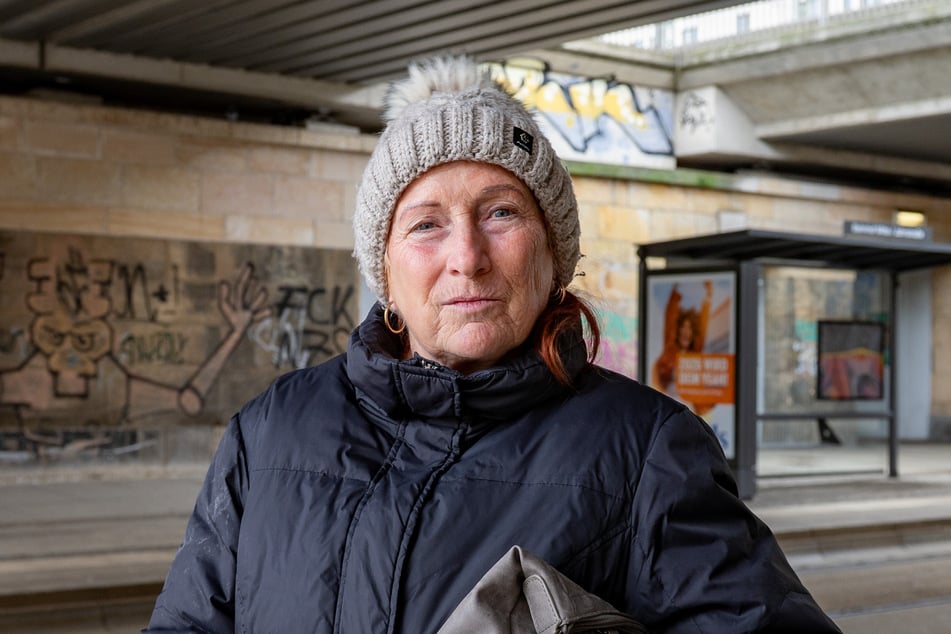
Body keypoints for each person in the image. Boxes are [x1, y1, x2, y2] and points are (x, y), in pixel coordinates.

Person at [144, 55, 840, 633]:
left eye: (500, 212)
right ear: (384, 269)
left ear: (553, 250)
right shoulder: (269, 430)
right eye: (425, 225)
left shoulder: (648, 452)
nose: (467, 257)